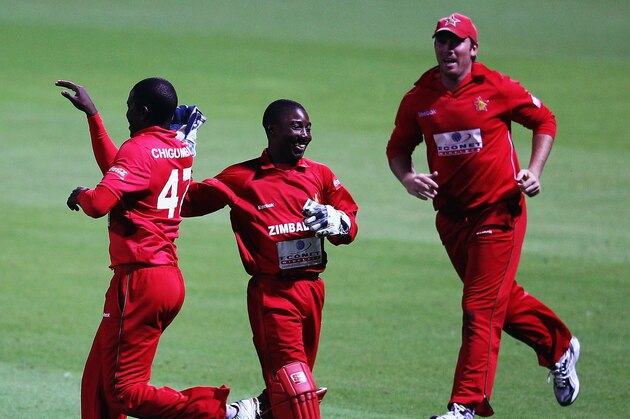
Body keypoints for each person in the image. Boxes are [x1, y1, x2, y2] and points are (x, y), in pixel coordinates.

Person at [385, 13, 580, 419]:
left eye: (455, 42)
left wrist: (534, 171)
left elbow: (544, 119)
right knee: (497, 303)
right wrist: (408, 178)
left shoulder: (496, 88)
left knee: (478, 307)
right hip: (451, 218)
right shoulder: (420, 98)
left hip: (498, 211)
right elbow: (397, 148)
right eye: (440, 41)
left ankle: (466, 406)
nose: (446, 49)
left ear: (473, 48)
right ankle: (559, 345)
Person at [56, 78, 256, 419]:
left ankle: (223, 414)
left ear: (144, 111)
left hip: (140, 281)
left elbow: (99, 202)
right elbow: (119, 172)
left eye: (130, 105)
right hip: (164, 279)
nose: (127, 111)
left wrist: (80, 194)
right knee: (98, 381)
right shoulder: (178, 149)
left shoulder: (139, 149)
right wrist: (93, 115)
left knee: (123, 393)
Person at [181, 99, 359, 418]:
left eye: (307, 128)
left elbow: (348, 221)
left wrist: (341, 222)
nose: (304, 134)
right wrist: (179, 152)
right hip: (273, 296)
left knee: (287, 389)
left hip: (312, 292)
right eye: (296, 127)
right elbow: (185, 203)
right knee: (297, 389)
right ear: (272, 131)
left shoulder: (320, 175)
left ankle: (246, 412)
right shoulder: (242, 178)